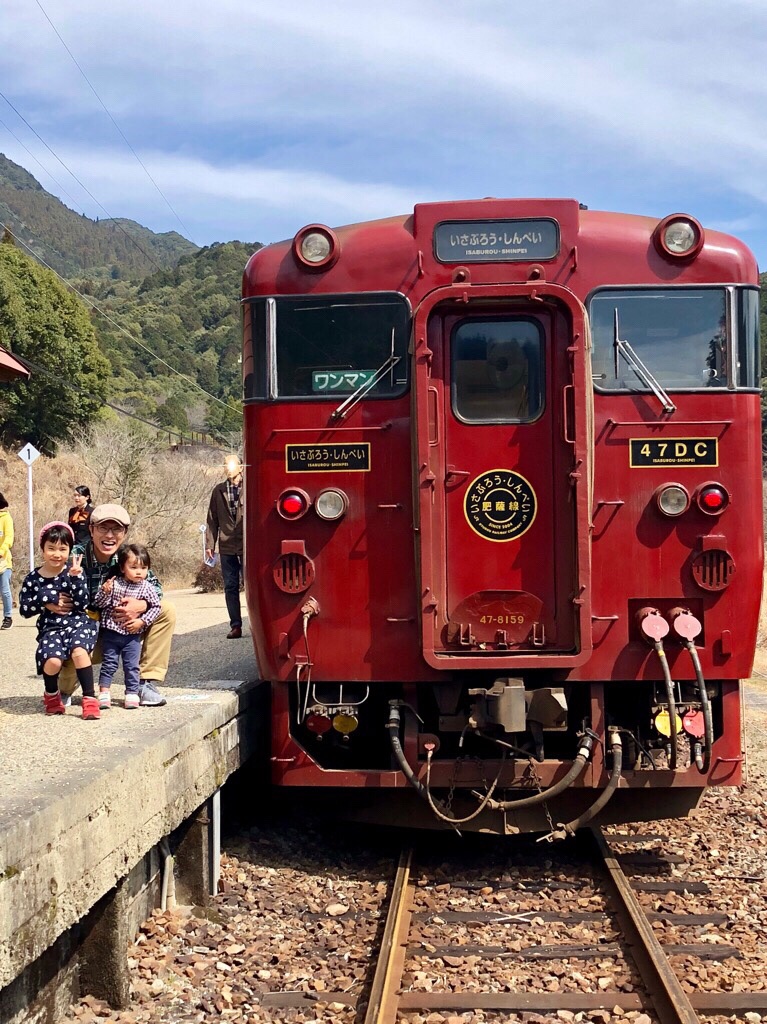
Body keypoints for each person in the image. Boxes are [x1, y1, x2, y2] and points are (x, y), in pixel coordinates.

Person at [57, 503, 176, 707]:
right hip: (83, 631)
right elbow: (46, 583)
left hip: (121, 631)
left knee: (166, 610)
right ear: (91, 529)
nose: (109, 535)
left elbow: (155, 587)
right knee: (68, 664)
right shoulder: (74, 556)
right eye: (103, 528)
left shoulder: (127, 557)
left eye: (116, 529)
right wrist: (53, 600)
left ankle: (144, 684)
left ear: (125, 532)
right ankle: (65, 689)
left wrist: (141, 605)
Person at [18, 522, 100, 719]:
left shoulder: (73, 572)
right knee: (52, 661)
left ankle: (89, 699)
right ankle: (52, 695)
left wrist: (76, 579)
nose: (57, 554)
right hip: (51, 627)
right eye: (51, 548)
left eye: (63, 549)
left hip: (77, 623)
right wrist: (47, 601)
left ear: (70, 550)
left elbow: (82, 603)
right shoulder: (33, 578)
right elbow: (24, 609)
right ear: (43, 549)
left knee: (80, 653)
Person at [94, 542, 161, 709]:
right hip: (111, 632)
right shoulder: (115, 583)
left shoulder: (147, 587)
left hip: (132, 636)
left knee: (132, 665)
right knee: (109, 663)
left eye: (144, 568)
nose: (139, 572)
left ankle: (131, 693)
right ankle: (104, 692)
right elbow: (100, 604)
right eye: (133, 567)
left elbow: (156, 606)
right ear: (123, 568)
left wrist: (142, 621)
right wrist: (105, 592)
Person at [206, 458, 244, 639]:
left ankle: (257, 624)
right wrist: (209, 545)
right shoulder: (218, 490)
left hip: (247, 544)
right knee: (230, 586)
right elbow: (212, 520)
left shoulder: (249, 487)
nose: (228, 469)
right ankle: (236, 625)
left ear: (241, 467)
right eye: (225, 465)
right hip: (227, 544)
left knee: (252, 586)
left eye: (231, 465)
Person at [0, 493, 14, 630]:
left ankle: (8, 617)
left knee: (4, 590)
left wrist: (2, 550)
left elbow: (9, 537)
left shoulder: (6, 518)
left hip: (3, 561)